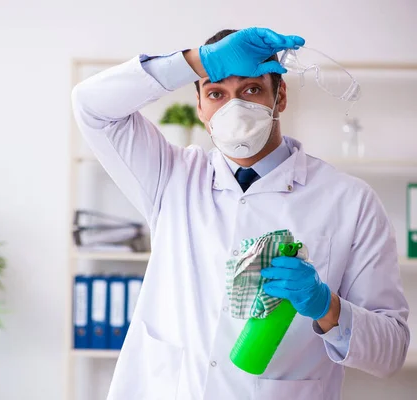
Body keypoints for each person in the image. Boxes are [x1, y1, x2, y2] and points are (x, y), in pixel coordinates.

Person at [71, 27, 410, 400]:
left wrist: (327, 308)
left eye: (251, 90)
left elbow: (391, 351)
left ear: (280, 97)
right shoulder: (170, 176)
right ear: (200, 107)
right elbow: (91, 105)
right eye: (216, 93)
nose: (234, 108)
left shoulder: (350, 200)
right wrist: (201, 59)